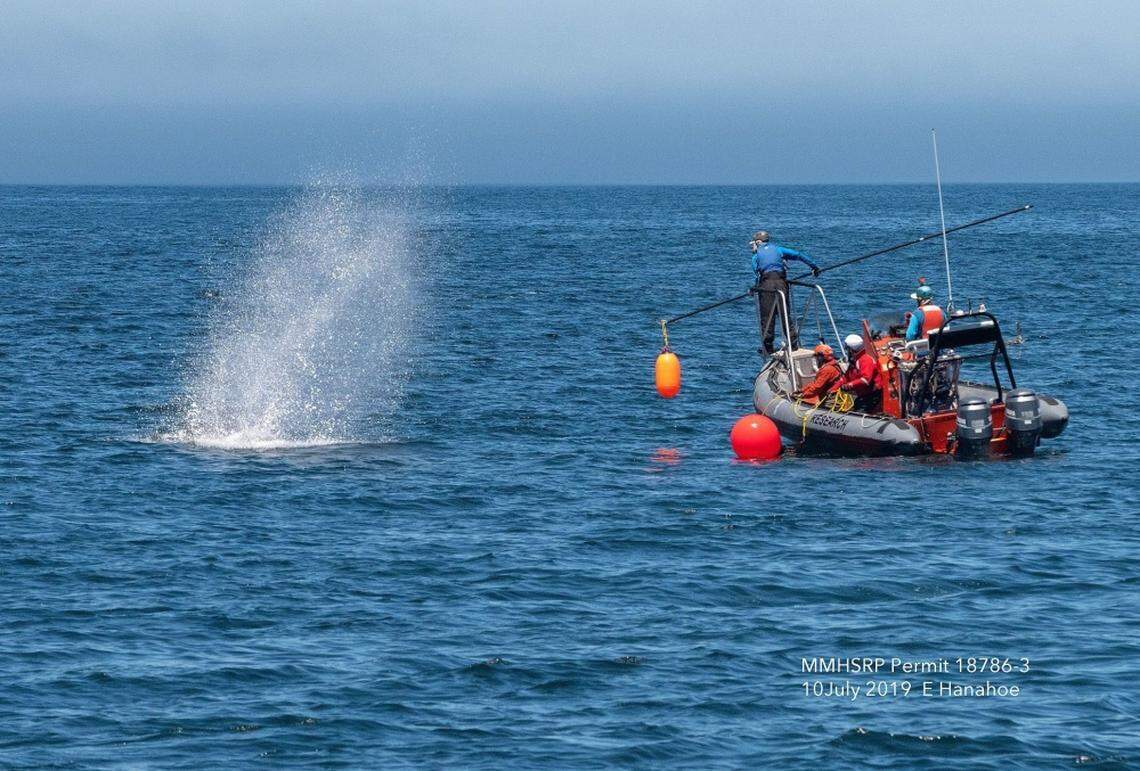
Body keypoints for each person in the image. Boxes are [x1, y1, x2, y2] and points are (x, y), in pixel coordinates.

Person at [749, 230, 820, 355]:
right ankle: (793, 344)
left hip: (766, 284)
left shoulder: (756, 256)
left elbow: (757, 272)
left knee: (767, 316)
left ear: (758, 242)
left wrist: (754, 288)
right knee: (784, 313)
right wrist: (814, 267)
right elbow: (798, 255)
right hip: (781, 282)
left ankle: (768, 347)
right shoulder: (778, 249)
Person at [837, 333, 881, 411]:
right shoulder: (855, 360)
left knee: (860, 409)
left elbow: (865, 380)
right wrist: (833, 388)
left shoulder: (865, 360)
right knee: (857, 404)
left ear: (851, 349)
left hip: (872, 396)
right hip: (863, 395)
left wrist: (849, 385)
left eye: (848, 349)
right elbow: (846, 377)